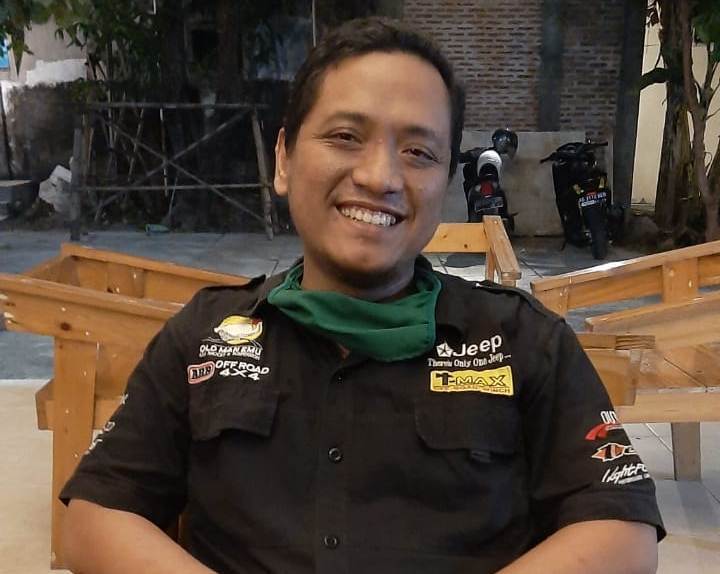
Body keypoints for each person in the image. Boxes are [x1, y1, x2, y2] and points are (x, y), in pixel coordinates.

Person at [60, 17, 664, 574]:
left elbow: (621, 531)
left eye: (419, 152)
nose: (380, 177)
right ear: (284, 159)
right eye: (346, 136)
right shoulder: (204, 335)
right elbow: (94, 519)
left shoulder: (525, 342)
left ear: (445, 182)